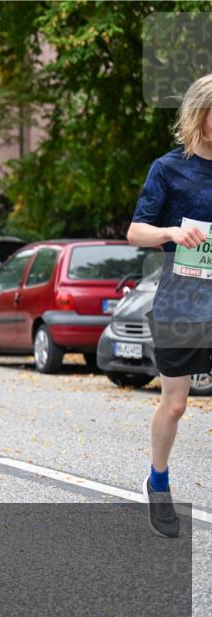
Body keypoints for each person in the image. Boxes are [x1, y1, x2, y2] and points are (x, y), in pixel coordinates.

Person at [126, 73, 212, 538]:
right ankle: (158, 481)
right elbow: (136, 232)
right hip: (181, 305)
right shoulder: (168, 169)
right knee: (175, 405)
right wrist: (172, 232)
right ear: (200, 114)